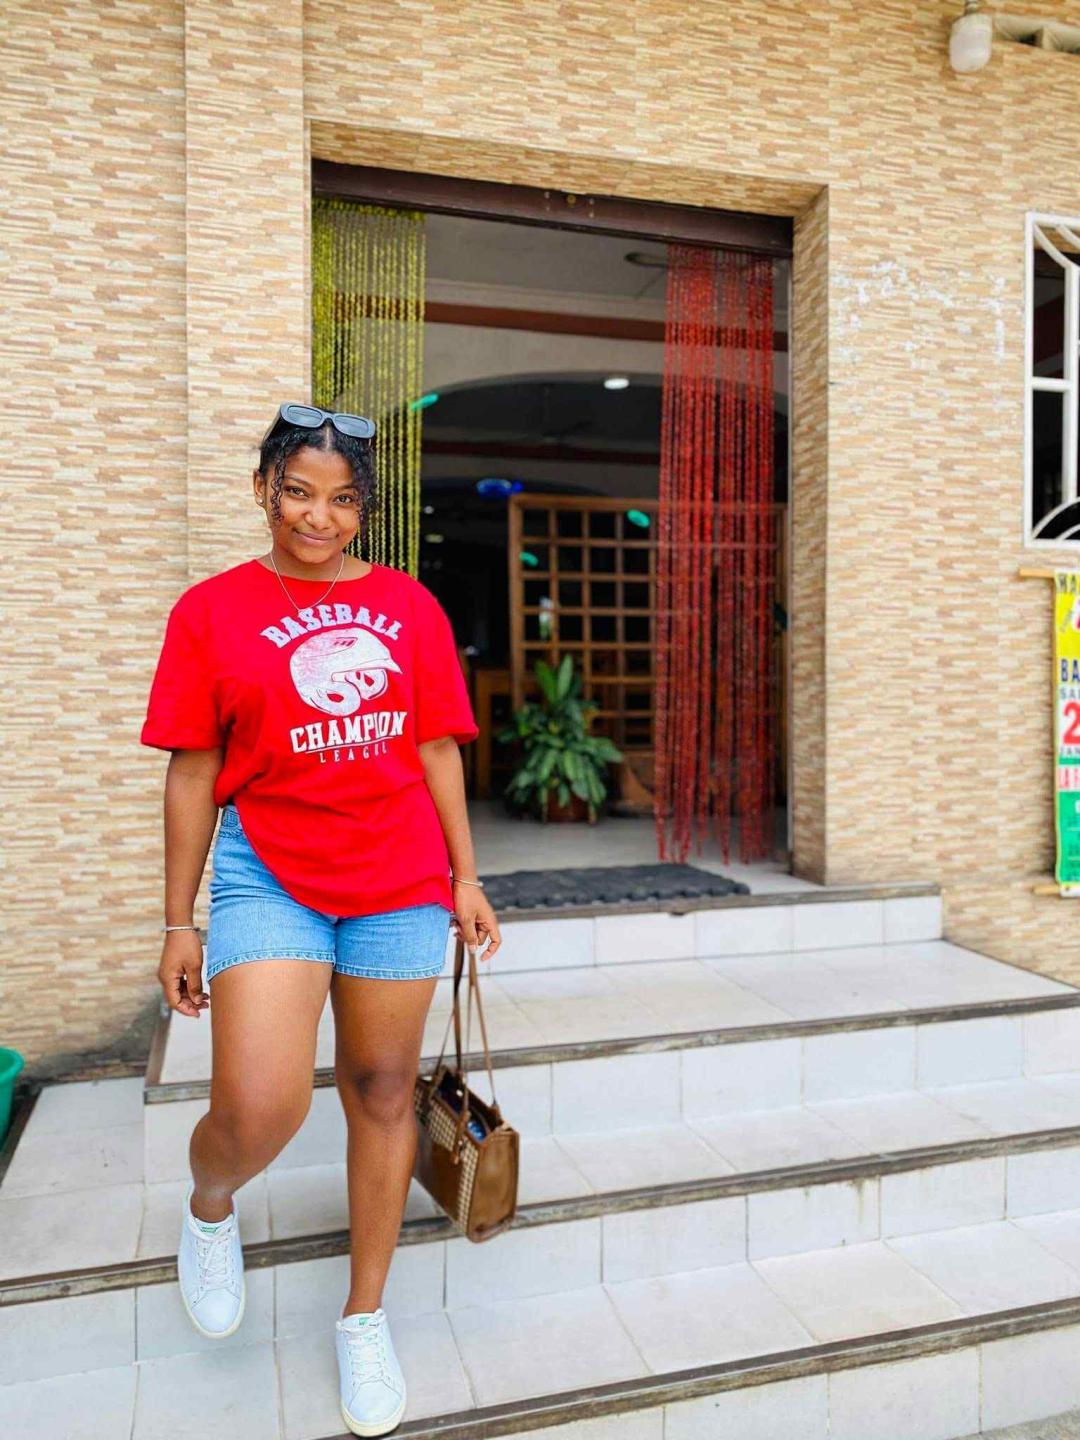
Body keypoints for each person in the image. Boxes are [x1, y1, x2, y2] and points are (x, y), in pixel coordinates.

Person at [140, 402, 501, 1438]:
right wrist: (178, 922)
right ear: (264, 490)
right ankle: (212, 1206)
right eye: (297, 492)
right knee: (262, 1103)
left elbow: (436, 747)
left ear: (363, 511)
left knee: (383, 1091)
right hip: (269, 870)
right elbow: (193, 772)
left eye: (342, 500)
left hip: (400, 875)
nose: (317, 516)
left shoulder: (409, 607)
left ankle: (364, 1315)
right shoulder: (211, 611)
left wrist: (465, 876)